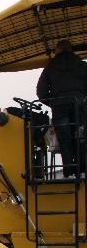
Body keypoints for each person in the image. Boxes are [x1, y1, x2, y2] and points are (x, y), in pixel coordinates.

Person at [36, 39, 87, 177]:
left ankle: (69, 171)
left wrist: (53, 102)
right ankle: (82, 170)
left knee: (65, 140)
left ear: (57, 50)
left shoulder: (50, 67)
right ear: (71, 49)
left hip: (59, 108)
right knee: (80, 138)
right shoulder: (82, 65)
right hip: (78, 106)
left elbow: (41, 92)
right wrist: (83, 101)